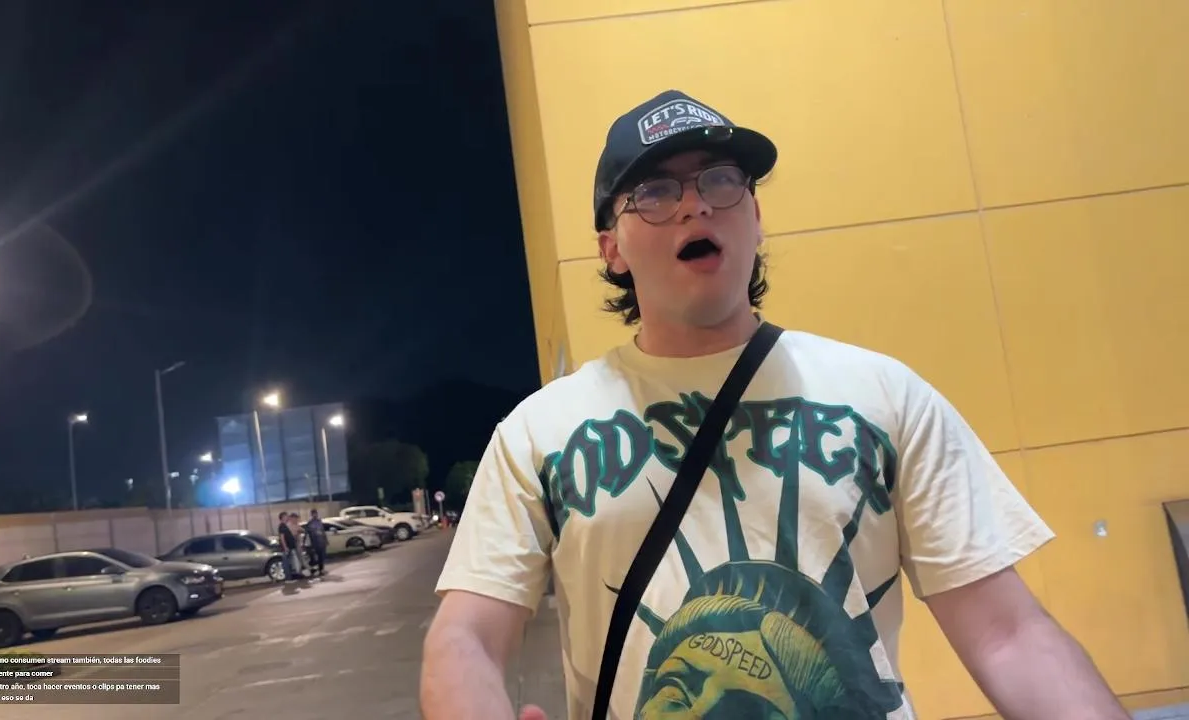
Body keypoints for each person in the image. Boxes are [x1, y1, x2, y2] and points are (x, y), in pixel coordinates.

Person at [420, 90, 1128, 719]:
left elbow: (1008, 634)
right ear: (611, 248)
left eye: (722, 180)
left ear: (755, 217)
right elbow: (466, 638)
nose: (696, 204)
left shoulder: (886, 396)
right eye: (656, 191)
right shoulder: (538, 433)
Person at [276, 511, 303, 582]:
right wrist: (285, 547)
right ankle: (288, 579)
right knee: (286, 563)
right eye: (286, 516)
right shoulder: (282, 526)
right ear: (282, 517)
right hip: (286, 548)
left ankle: (292, 576)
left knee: (291, 563)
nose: (287, 517)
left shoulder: (285, 526)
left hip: (290, 547)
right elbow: (282, 538)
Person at [305, 509, 329, 576]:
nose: (315, 515)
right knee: (317, 557)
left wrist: (326, 540)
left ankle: (321, 569)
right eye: (314, 514)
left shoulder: (319, 521)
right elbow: (309, 533)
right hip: (315, 543)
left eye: (316, 513)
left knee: (322, 556)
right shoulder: (310, 523)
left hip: (321, 542)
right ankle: (317, 570)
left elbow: (323, 531)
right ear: (311, 515)